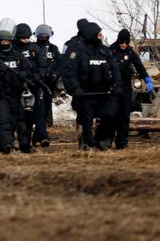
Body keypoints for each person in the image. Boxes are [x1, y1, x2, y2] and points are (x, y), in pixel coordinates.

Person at [62, 22, 121, 151]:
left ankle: (100, 137)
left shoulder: (105, 51)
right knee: (86, 119)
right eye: (98, 33)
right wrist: (75, 88)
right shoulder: (78, 51)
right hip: (86, 93)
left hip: (104, 93)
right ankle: (88, 142)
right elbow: (70, 72)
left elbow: (115, 69)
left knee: (110, 114)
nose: (101, 35)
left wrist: (117, 85)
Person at [0, 19, 33, 154]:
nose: (5, 43)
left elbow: (29, 69)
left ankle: (24, 144)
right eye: (2, 41)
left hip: (17, 92)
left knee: (21, 119)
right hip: (0, 93)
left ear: (11, 41)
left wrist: (23, 74)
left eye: (7, 41)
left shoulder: (18, 56)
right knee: (4, 120)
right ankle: (6, 144)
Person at [110, 29, 152, 149]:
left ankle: (122, 141)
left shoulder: (130, 52)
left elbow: (140, 67)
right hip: (113, 88)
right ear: (118, 41)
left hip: (126, 88)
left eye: (126, 42)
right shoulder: (111, 51)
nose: (123, 44)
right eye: (122, 42)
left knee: (124, 115)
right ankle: (108, 139)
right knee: (112, 114)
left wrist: (146, 79)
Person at [12, 23, 48, 148]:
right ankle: (22, 140)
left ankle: (40, 136)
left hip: (35, 85)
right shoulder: (13, 49)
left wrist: (39, 75)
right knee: (20, 115)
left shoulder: (34, 48)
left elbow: (42, 65)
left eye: (28, 37)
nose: (26, 40)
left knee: (38, 112)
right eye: (23, 38)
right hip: (18, 86)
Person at [34, 24, 60, 144]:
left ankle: (37, 136)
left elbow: (60, 64)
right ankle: (43, 136)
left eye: (46, 35)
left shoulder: (53, 49)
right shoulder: (33, 48)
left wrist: (56, 74)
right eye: (41, 35)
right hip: (36, 83)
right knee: (39, 110)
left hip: (49, 84)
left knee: (44, 111)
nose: (43, 37)